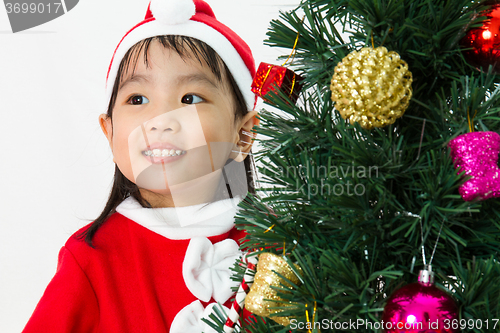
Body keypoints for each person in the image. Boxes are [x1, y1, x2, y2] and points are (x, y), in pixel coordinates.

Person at [22, 0, 262, 332]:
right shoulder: (91, 259)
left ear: (243, 134)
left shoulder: (282, 248)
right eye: (137, 100)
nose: (160, 122)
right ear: (110, 132)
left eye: (190, 98)